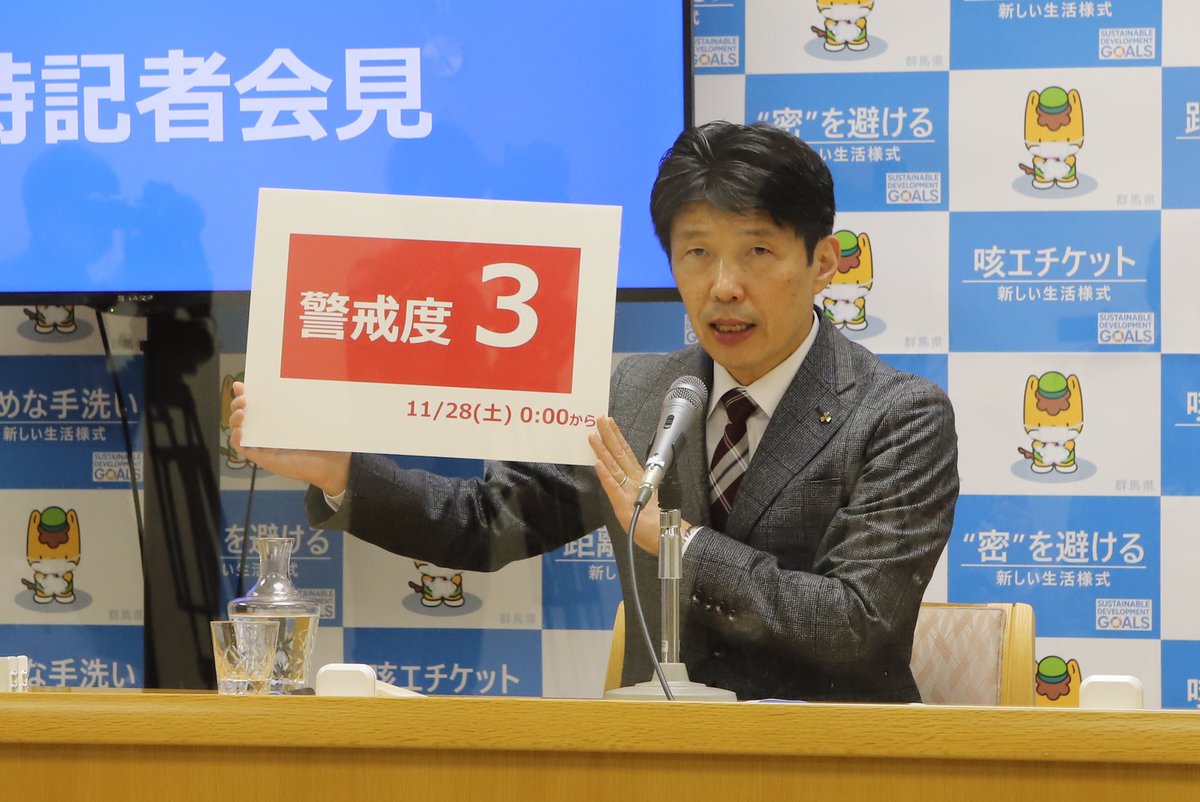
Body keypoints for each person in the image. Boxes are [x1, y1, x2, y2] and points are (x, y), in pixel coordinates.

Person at [230, 121, 959, 702]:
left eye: (758, 252)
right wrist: (341, 472)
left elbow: (857, 623)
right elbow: (489, 523)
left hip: (831, 764)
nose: (723, 286)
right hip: (658, 762)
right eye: (696, 254)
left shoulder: (900, 415)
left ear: (823, 263)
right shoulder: (638, 395)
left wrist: (678, 544)